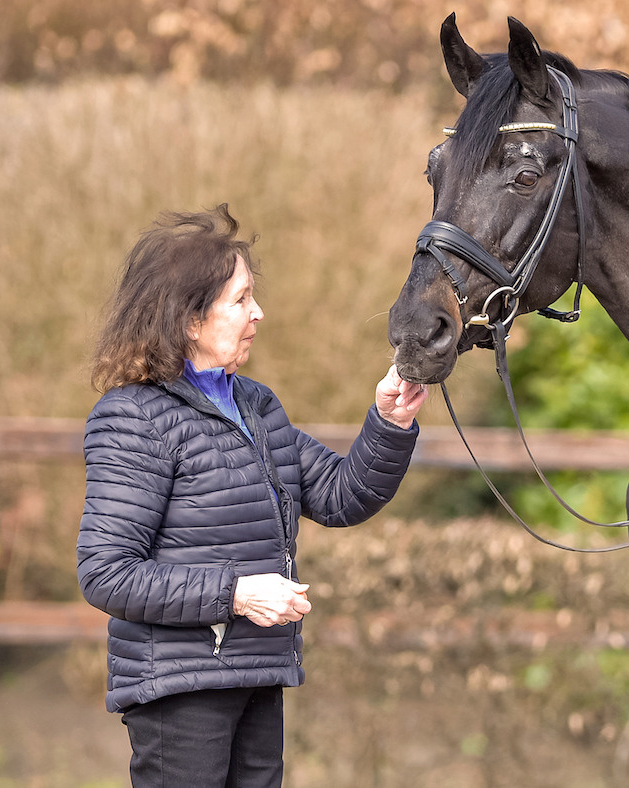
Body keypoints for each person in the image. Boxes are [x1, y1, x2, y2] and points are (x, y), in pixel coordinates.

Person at [77, 205, 429, 788]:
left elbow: (342, 496)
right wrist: (236, 594)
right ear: (190, 320)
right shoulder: (133, 418)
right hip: (179, 691)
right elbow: (106, 574)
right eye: (241, 299)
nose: (258, 312)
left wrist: (389, 423)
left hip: (258, 673)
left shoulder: (257, 406)